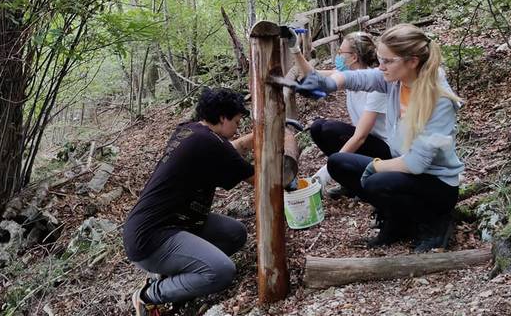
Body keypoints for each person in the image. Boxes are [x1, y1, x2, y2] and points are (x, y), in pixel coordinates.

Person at [295, 24, 463, 252]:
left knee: (376, 181)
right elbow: (360, 78)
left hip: (436, 184)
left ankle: (434, 223)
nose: (380, 66)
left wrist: (375, 166)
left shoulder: (438, 100)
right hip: (404, 170)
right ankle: (399, 219)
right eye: (379, 59)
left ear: (412, 61)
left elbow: (416, 163)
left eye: (387, 61)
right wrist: (327, 84)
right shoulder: (396, 79)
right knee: (338, 163)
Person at [123, 88, 255, 316]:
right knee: (222, 271)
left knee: (235, 234)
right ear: (222, 118)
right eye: (236, 121)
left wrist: (258, 137)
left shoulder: (190, 131)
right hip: (151, 239)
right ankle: (150, 296)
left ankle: (178, 274)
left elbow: (231, 150)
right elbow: (259, 179)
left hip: (173, 223)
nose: (237, 129)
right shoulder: (213, 144)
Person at [287, 30, 391, 198]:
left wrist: (325, 172)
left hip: (384, 150)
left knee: (329, 129)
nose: (338, 56)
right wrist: (295, 49)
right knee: (317, 127)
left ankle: (362, 186)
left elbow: (360, 137)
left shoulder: (375, 86)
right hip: (368, 143)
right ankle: (348, 180)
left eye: (341, 52)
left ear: (354, 57)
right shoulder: (348, 75)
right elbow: (313, 75)